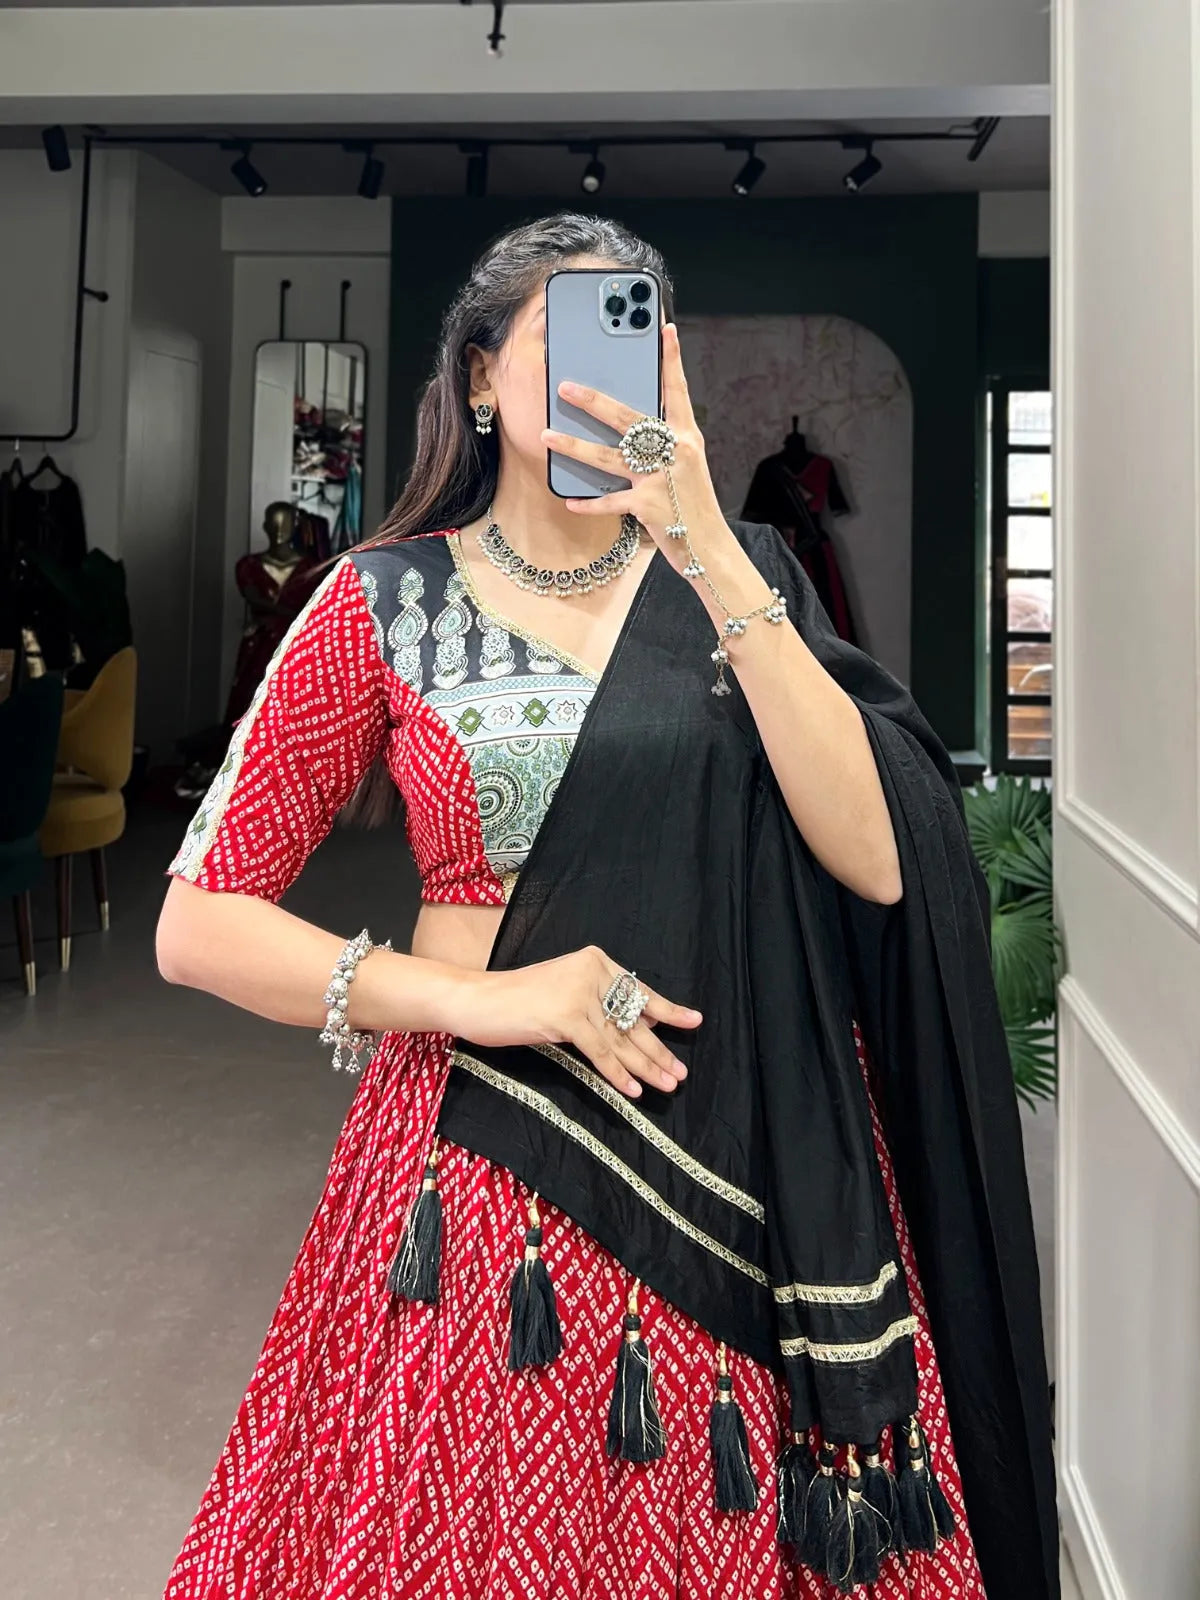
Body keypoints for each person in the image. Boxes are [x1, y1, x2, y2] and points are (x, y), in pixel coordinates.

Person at [156, 214, 1058, 1600]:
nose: (597, 377)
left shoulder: (744, 574)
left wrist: (704, 545)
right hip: (489, 1181)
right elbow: (199, 922)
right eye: (559, 338)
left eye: (633, 339)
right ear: (476, 377)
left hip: (749, 1158)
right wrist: (488, 998)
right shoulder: (381, 604)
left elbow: (881, 859)